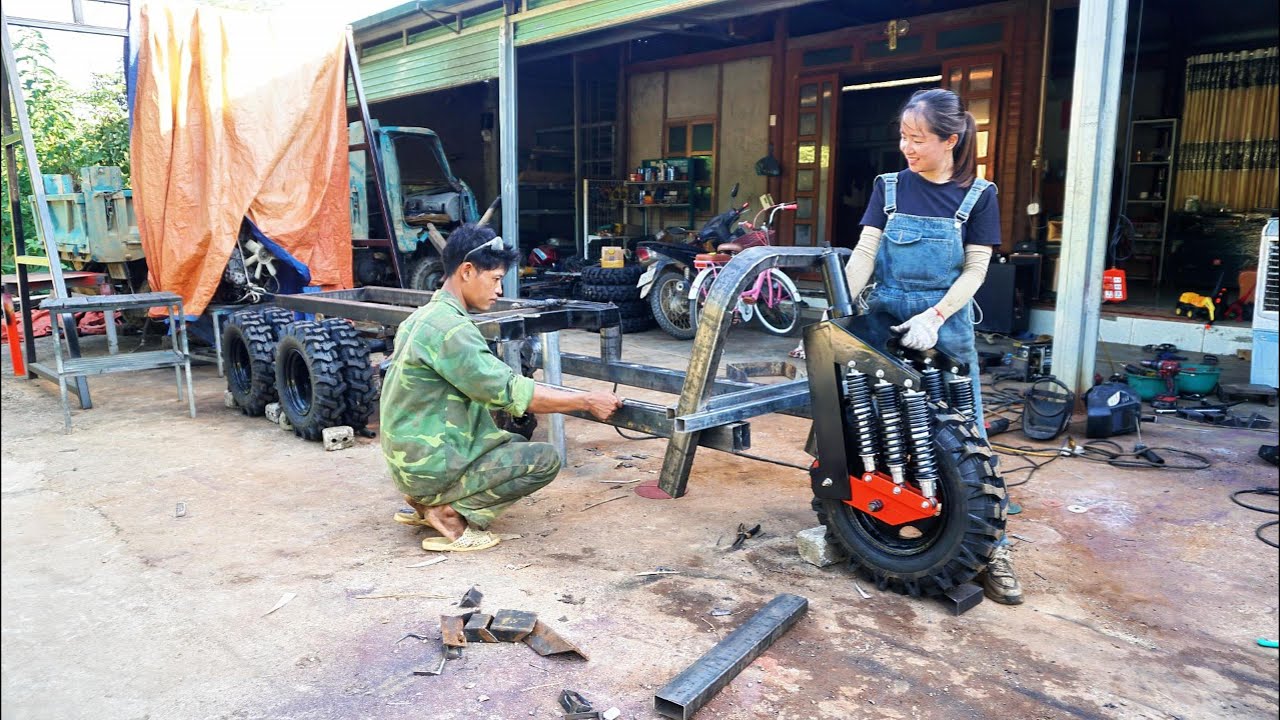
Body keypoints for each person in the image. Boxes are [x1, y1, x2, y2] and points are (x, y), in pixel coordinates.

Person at [796, 88, 1024, 604]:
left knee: (967, 438)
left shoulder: (978, 195)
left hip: (944, 321)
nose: (906, 147)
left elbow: (976, 269)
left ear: (951, 138)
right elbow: (865, 254)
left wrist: (937, 315)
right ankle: (862, 516)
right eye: (903, 136)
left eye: (917, 139)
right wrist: (835, 315)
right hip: (884, 316)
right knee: (873, 418)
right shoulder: (889, 187)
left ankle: (994, 547)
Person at [380, 223, 622, 553]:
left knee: (509, 440)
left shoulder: (422, 318)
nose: (498, 290)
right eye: (494, 279)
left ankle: (427, 499)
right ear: (467, 271)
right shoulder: (451, 330)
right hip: (430, 467)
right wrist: (586, 400)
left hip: (411, 463)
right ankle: (449, 512)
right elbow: (512, 393)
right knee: (544, 459)